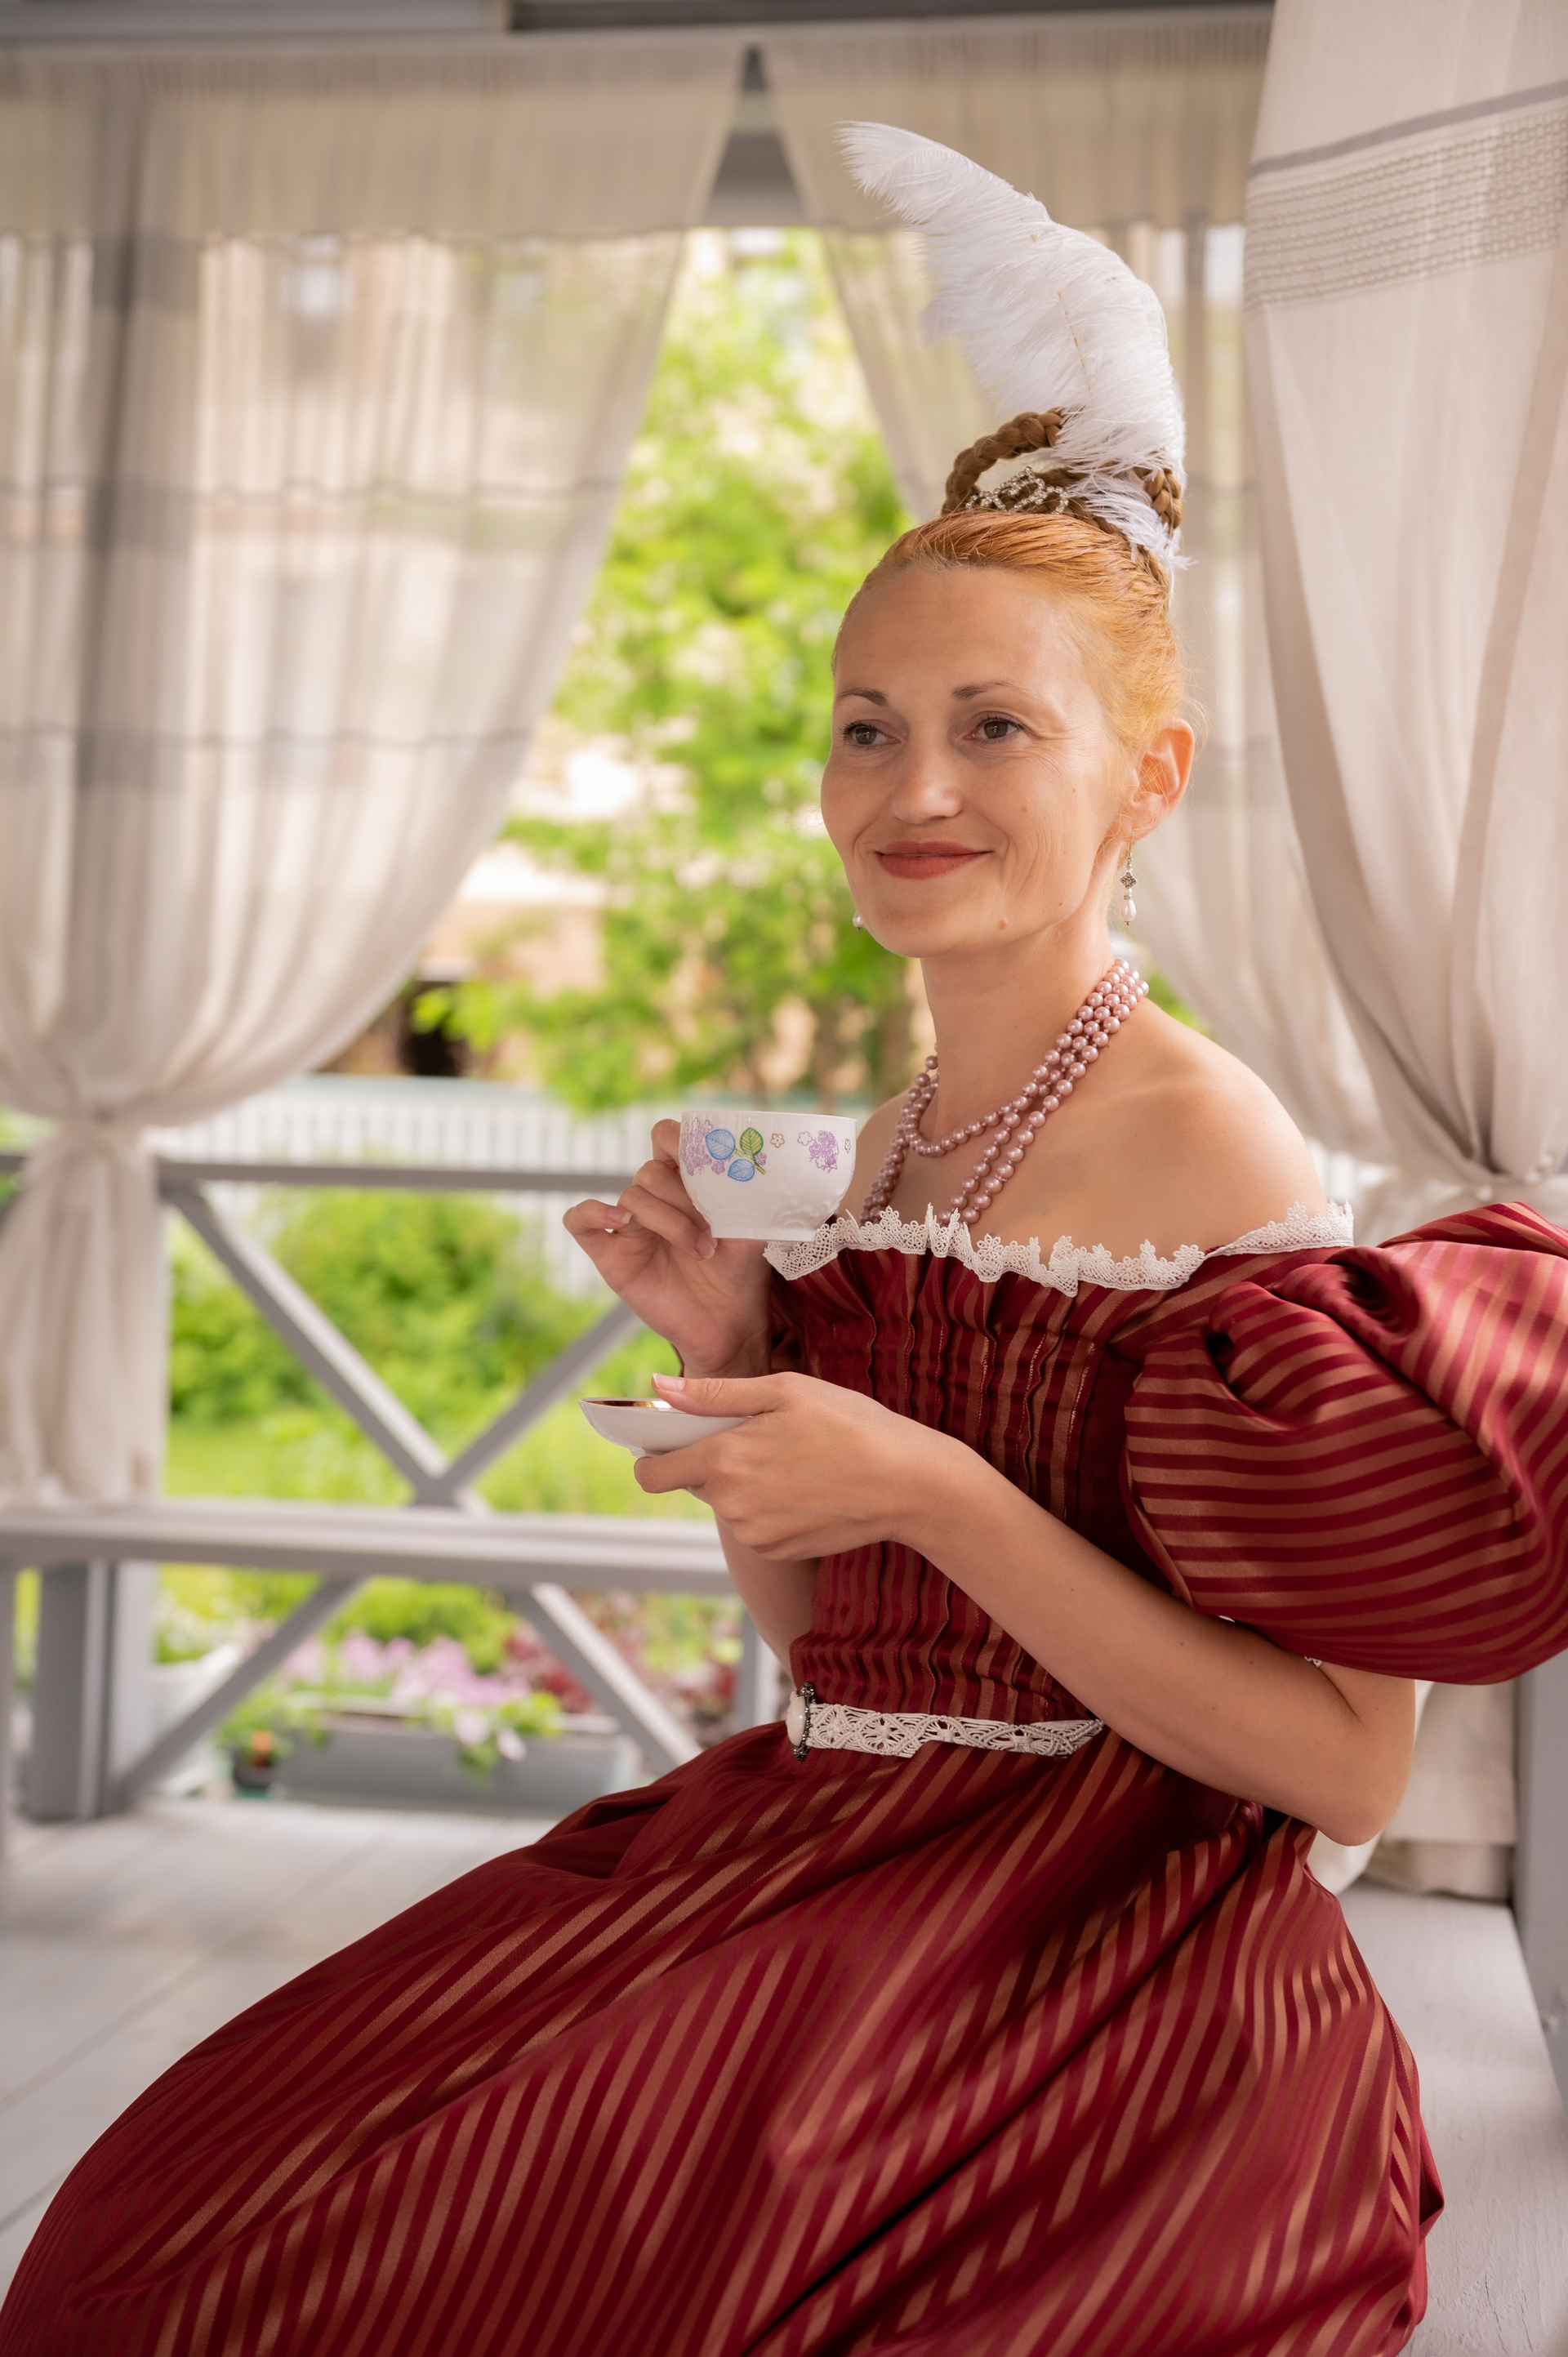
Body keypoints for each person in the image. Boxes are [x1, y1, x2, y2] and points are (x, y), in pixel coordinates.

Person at [7, 131, 1566, 2357]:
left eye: (995, 727)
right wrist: (748, 1353)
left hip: (1092, 1937)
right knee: (174, 2236)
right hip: (824, 1836)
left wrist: (931, 1481)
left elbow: (1346, 1772)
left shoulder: (1216, 1146)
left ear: (1149, 778)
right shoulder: (892, 1136)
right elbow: (841, 1653)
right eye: (866, 728)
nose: (910, 789)